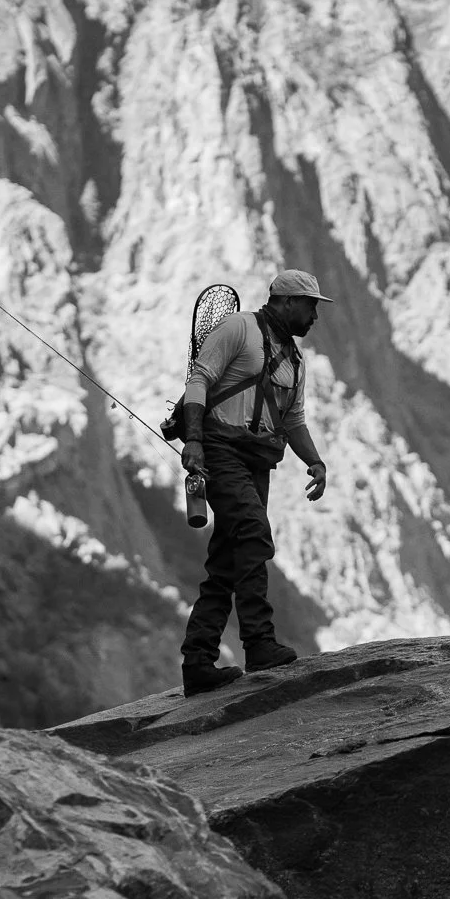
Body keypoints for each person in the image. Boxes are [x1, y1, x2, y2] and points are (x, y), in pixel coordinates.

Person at [177, 269, 332, 695]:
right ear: (286, 302)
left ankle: (198, 663)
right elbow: (199, 381)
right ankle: (259, 643)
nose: (315, 315)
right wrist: (193, 440)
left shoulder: (296, 362)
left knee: (226, 561)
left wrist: (315, 462)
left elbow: (293, 421)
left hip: (256, 461)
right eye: (310, 305)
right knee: (251, 532)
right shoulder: (238, 328)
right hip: (220, 449)